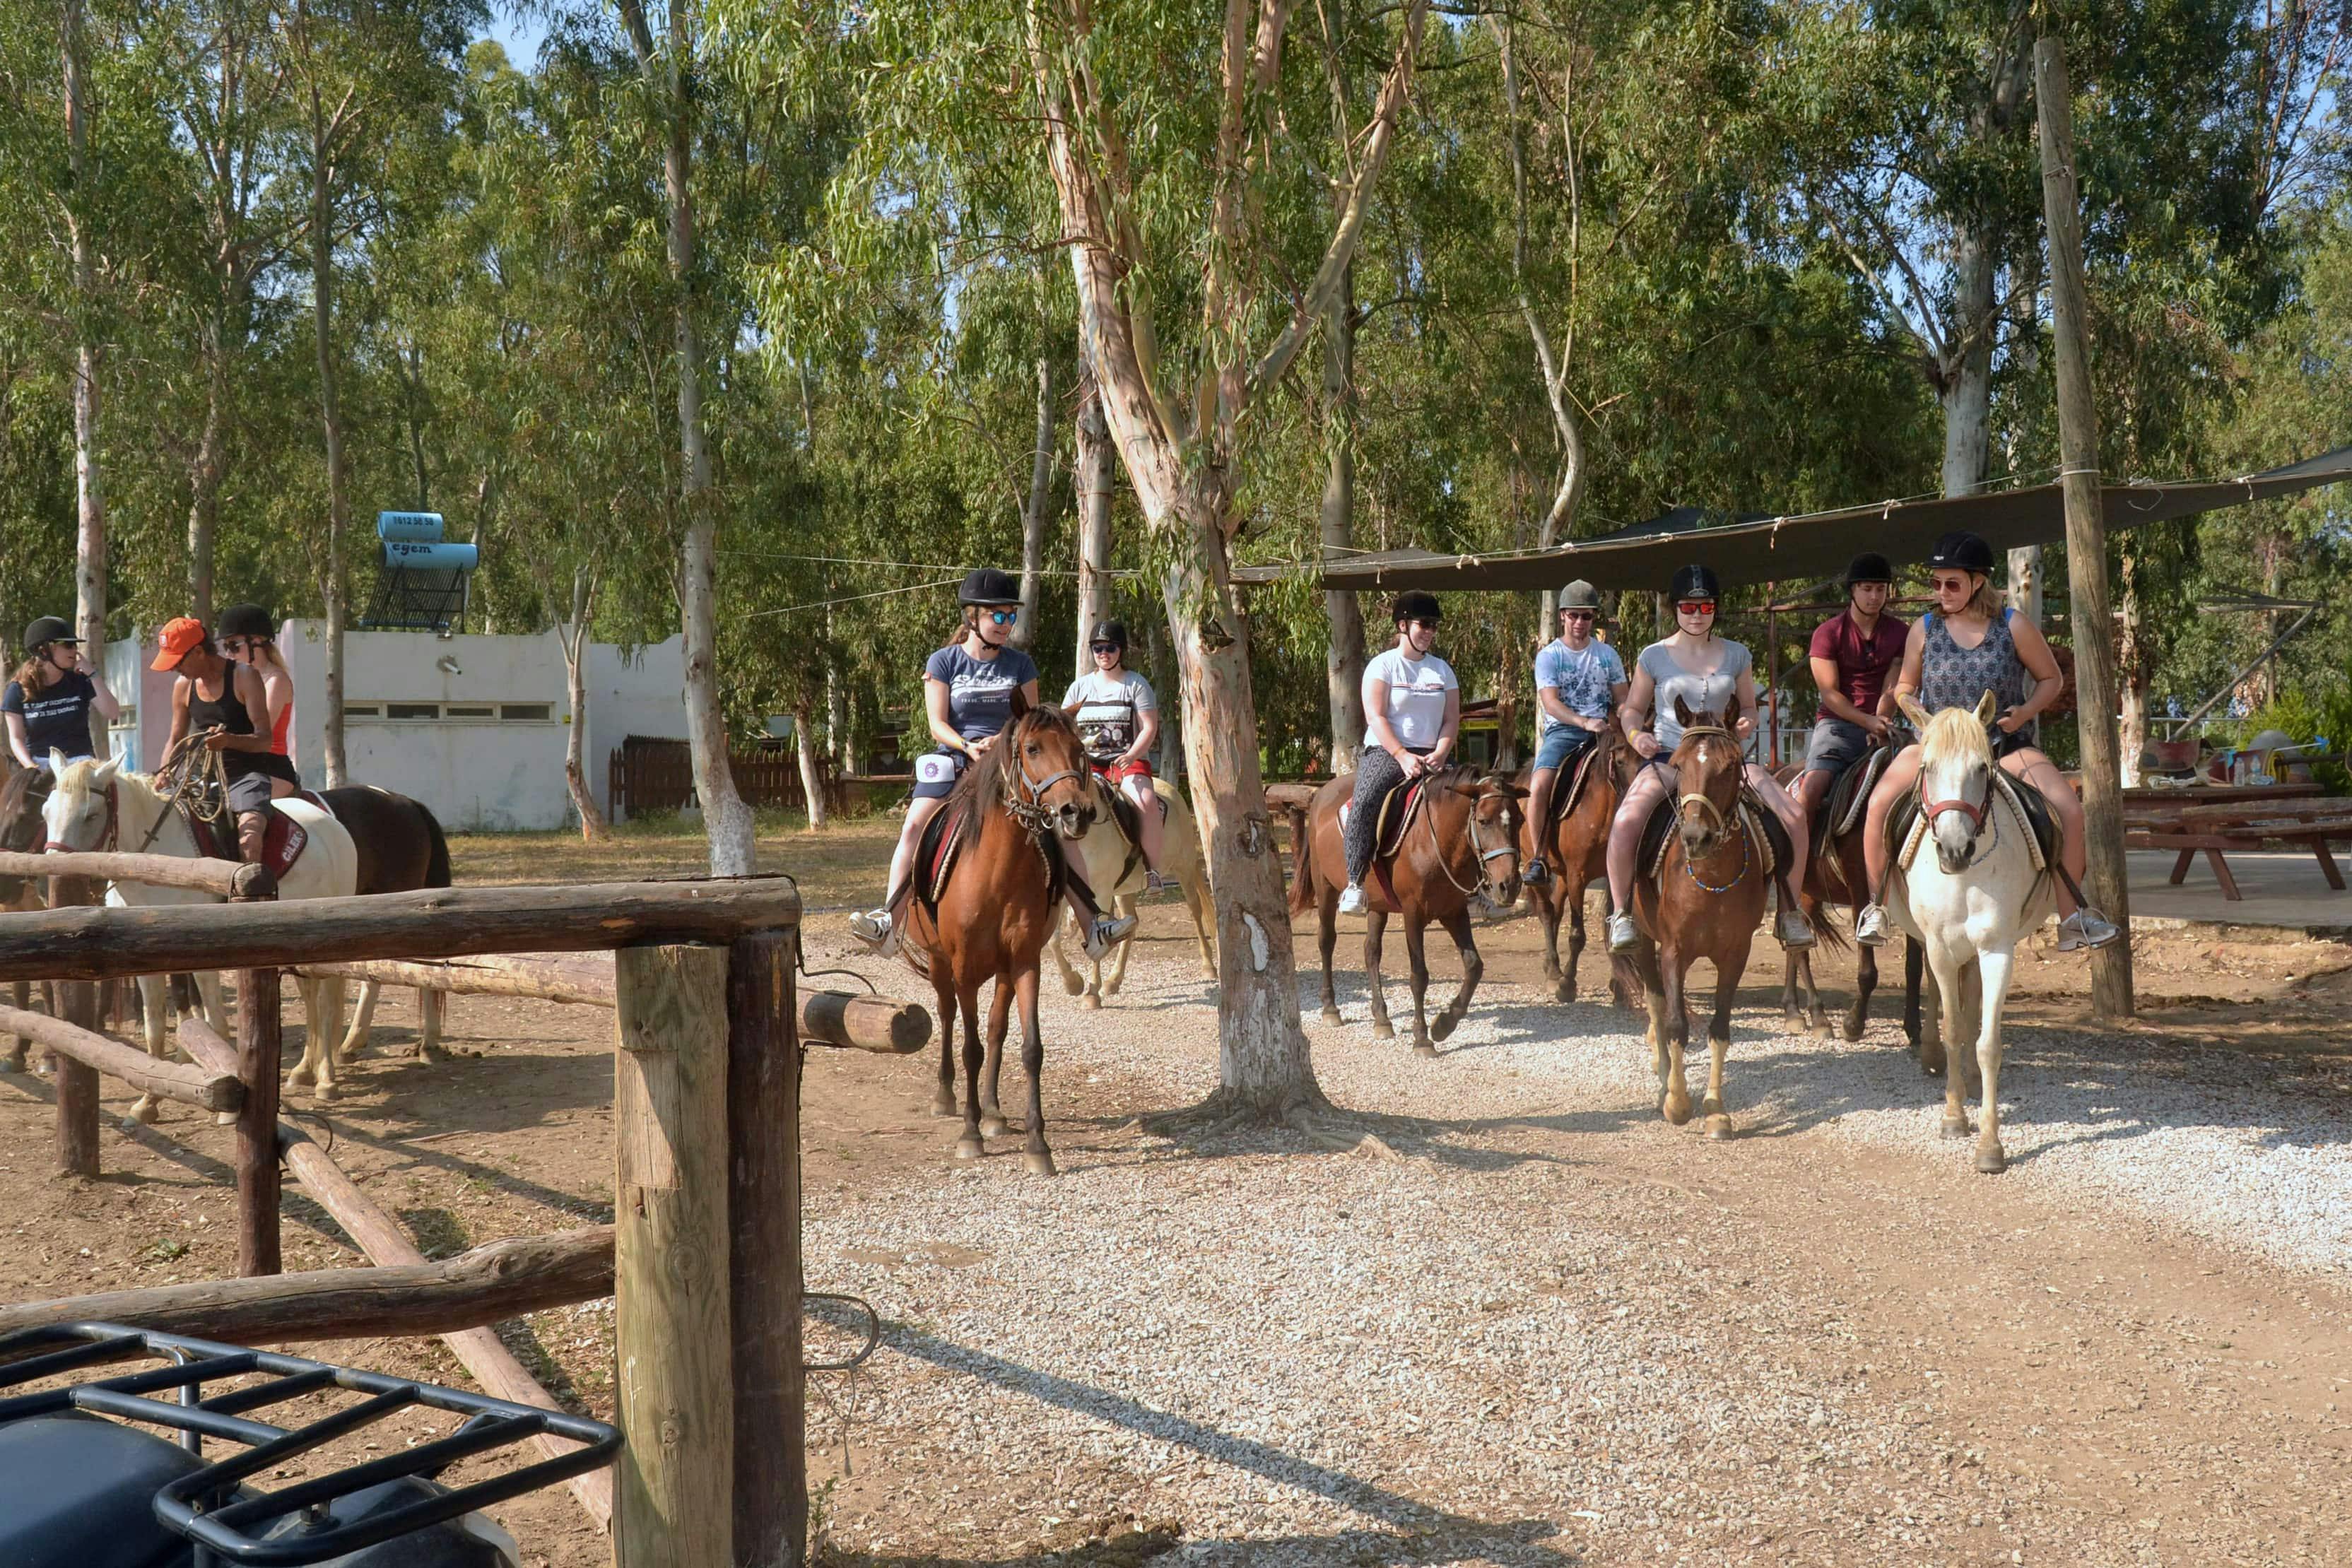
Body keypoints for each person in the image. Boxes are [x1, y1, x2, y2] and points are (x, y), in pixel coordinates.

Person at [1854, 531, 2119, 951]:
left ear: (1979, 582)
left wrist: (2026, 712)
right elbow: (1905, 685)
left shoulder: (2013, 625)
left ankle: (2072, 917)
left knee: (2069, 809)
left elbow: (2052, 678)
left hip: (2003, 746)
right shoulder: (1923, 629)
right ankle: (1878, 908)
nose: (1942, 592)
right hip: (1937, 749)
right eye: (1936, 583)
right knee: (1878, 804)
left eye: (1952, 583)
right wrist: (1911, 707)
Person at [851, 570, 1136, 959]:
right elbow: (937, 723)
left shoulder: (1021, 665)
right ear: (973, 618)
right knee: (914, 824)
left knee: (1058, 829)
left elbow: (1031, 721)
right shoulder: (943, 662)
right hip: (956, 757)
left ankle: (1095, 926)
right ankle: (888, 920)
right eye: (998, 617)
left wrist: (1001, 743)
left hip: (1010, 762)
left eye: (1010, 617)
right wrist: (967, 745)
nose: (1006, 625)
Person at [1604, 565, 1814, 954]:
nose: (1696, 615)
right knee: (1626, 820)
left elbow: (1749, 705)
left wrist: (1748, 720)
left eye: (1705, 607)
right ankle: (1621, 915)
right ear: (1676, 609)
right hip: (1671, 758)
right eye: (1688, 607)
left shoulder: (1738, 655)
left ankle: (1790, 911)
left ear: (1715, 609)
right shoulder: (1653, 656)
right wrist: (1637, 736)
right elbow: (1631, 709)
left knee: (1795, 816)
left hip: (1727, 760)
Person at [1340, 591, 1461, 916]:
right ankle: (1354, 881)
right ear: (1403, 625)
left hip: (1434, 754)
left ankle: (1474, 888)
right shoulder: (1383, 666)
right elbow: (1376, 716)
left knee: (1473, 799)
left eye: (1434, 625)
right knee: (1365, 802)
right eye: (1425, 624)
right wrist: (1402, 755)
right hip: (1387, 751)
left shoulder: (1442, 671)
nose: (1430, 631)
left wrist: (1441, 751)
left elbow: (1451, 719)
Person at [153, 616, 302, 864]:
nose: (173, 669)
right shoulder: (182, 686)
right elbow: (175, 739)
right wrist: (164, 771)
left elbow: (264, 740)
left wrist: (228, 741)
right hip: (200, 779)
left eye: (177, 661)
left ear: (199, 652)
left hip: (247, 777)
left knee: (250, 838)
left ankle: (252, 896)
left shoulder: (245, 676)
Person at [1522, 579, 1628, 887]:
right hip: (1565, 732)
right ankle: (1539, 858)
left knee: (1641, 774)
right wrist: (1584, 723)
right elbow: (1551, 704)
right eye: (1574, 615)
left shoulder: (1608, 655)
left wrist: (1626, 715)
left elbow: (1623, 698)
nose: (1580, 622)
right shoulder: (1549, 656)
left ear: (1594, 618)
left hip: (1606, 732)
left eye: (1587, 616)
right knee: (1540, 784)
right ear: (1563, 616)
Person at [1794, 553, 1907, 825]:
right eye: (1867, 589)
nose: (1874, 597)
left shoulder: (1901, 632)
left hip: (1884, 723)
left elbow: (1892, 686)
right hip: (1837, 726)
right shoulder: (1828, 632)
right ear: (1852, 590)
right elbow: (1830, 694)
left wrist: (1881, 722)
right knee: (1811, 791)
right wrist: (1867, 721)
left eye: (1881, 589)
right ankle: (1796, 861)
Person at [1062, 620, 1167, 888]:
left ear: (1121, 650)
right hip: (1088, 765)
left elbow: (1149, 727)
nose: (1103, 653)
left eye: (1110, 647)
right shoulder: (1079, 687)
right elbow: (1064, 726)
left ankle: (1152, 870)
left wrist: (1132, 755)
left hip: (1126, 762)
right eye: (1098, 648)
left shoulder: (1136, 685)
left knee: (1145, 801)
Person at [4, 616, 121, 771]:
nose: (75, 650)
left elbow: (113, 713)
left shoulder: (81, 681)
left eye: (75, 645)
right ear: (44, 650)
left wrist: (92, 674)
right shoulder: (17, 689)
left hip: (81, 765)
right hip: (41, 766)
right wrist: (32, 768)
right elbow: (16, 738)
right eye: (68, 645)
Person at [216, 604, 295, 766]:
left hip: (269, 765)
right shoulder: (238, 681)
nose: (228, 654)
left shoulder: (276, 680)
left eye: (233, 646)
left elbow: (256, 732)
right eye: (226, 647)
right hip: (239, 764)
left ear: (256, 642)